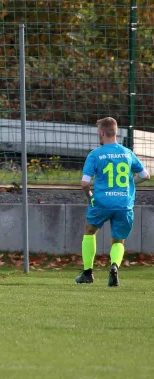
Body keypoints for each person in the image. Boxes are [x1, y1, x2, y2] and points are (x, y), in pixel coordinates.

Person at [76, 117, 150, 286]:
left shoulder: (95, 154)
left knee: (89, 231)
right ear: (115, 132)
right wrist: (130, 183)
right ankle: (114, 266)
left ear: (102, 132)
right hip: (123, 203)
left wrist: (90, 197)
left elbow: (85, 183)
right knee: (118, 240)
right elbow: (146, 175)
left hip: (102, 202)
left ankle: (87, 273)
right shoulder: (127, 153)